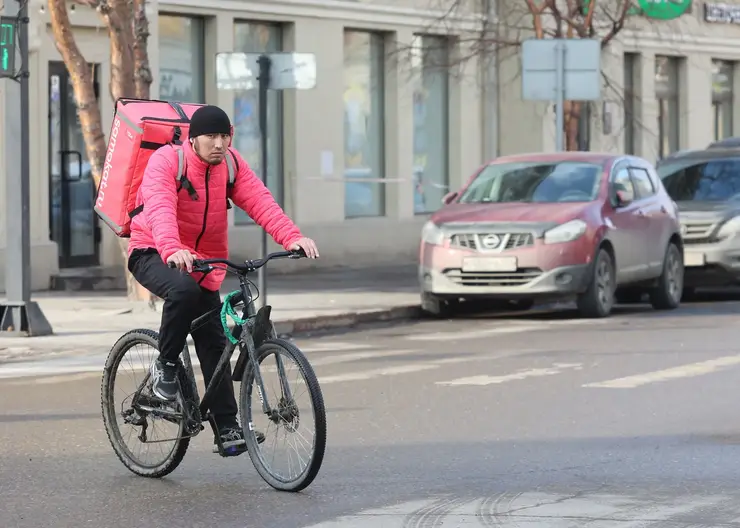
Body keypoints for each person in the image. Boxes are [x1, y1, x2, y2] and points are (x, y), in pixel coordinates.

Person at [127, 104, 319, 456]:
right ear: (193, 138)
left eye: (224, 136)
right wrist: (171, 248)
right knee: (182, 290)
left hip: (203, 262)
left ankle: (228, 429)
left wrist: (290, 237)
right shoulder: (168, 162)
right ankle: (165, 367)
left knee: (215, 341)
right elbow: (160, 207)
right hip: (153, 249)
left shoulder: (230, 164)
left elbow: (260, 201)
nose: (219, 143)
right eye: (211, 136)